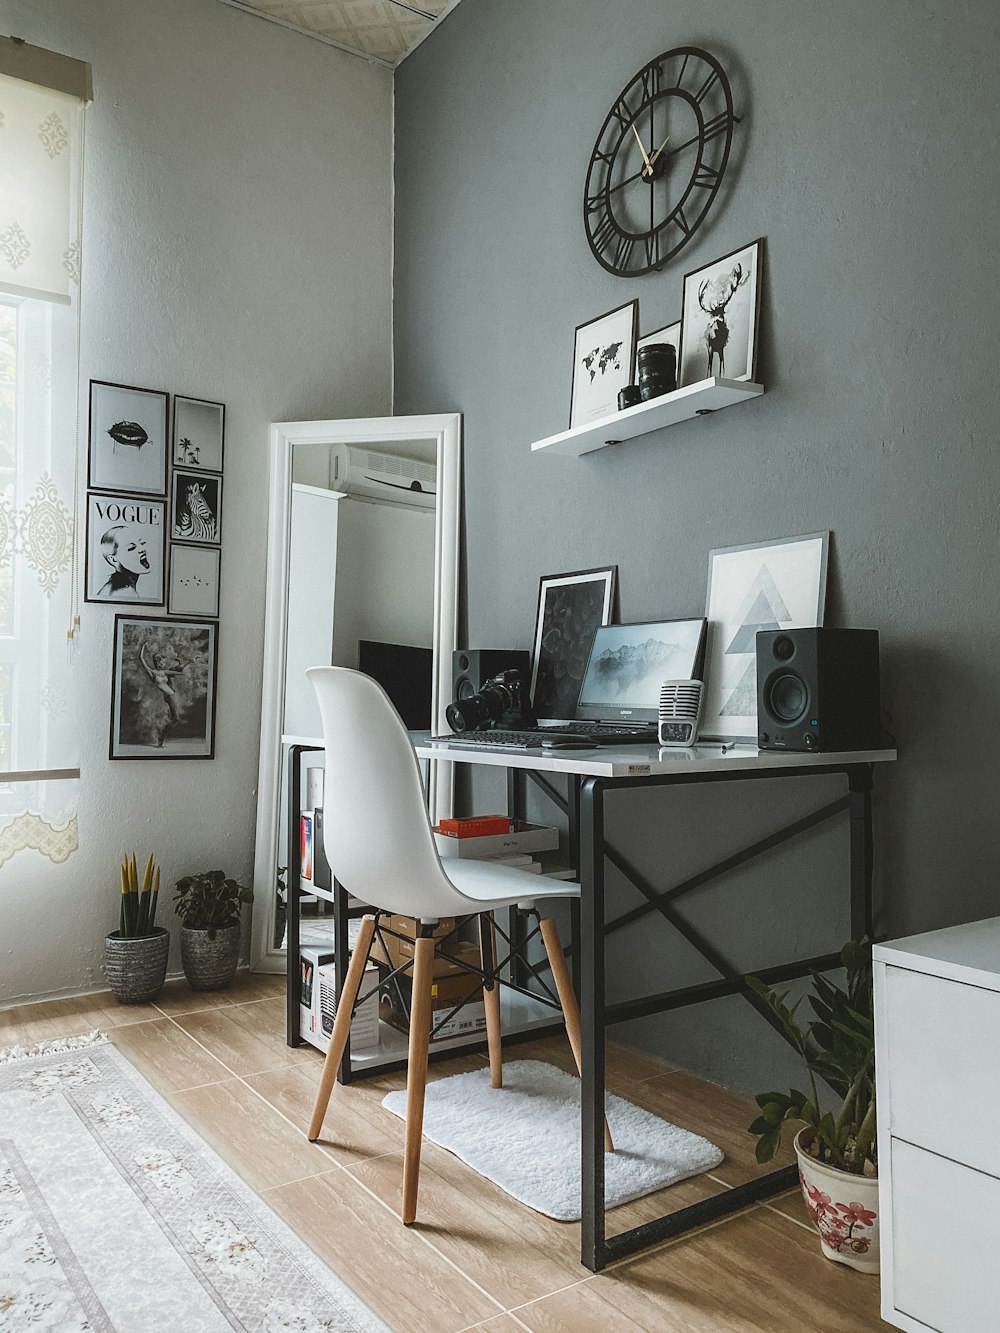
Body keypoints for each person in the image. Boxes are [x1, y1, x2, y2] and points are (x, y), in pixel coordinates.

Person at [139, 639, 190, 733]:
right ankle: (161, 733)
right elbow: (141, 659)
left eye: (164, 662)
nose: (163, 664)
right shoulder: (152, 673)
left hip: (171, 695)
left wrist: (182, 664)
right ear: (157, 662)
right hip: (169, 696)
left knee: (174, 719)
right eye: (162, 662)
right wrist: (143, 646)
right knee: (174, 719)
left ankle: (162, 734)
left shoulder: (164, 672)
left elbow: (179, 673)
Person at [97, 524, 151, 600]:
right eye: (131, 548)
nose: (142, 548)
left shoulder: (118, 587)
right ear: (113, 560)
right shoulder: (124, 593)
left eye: (141, 543)